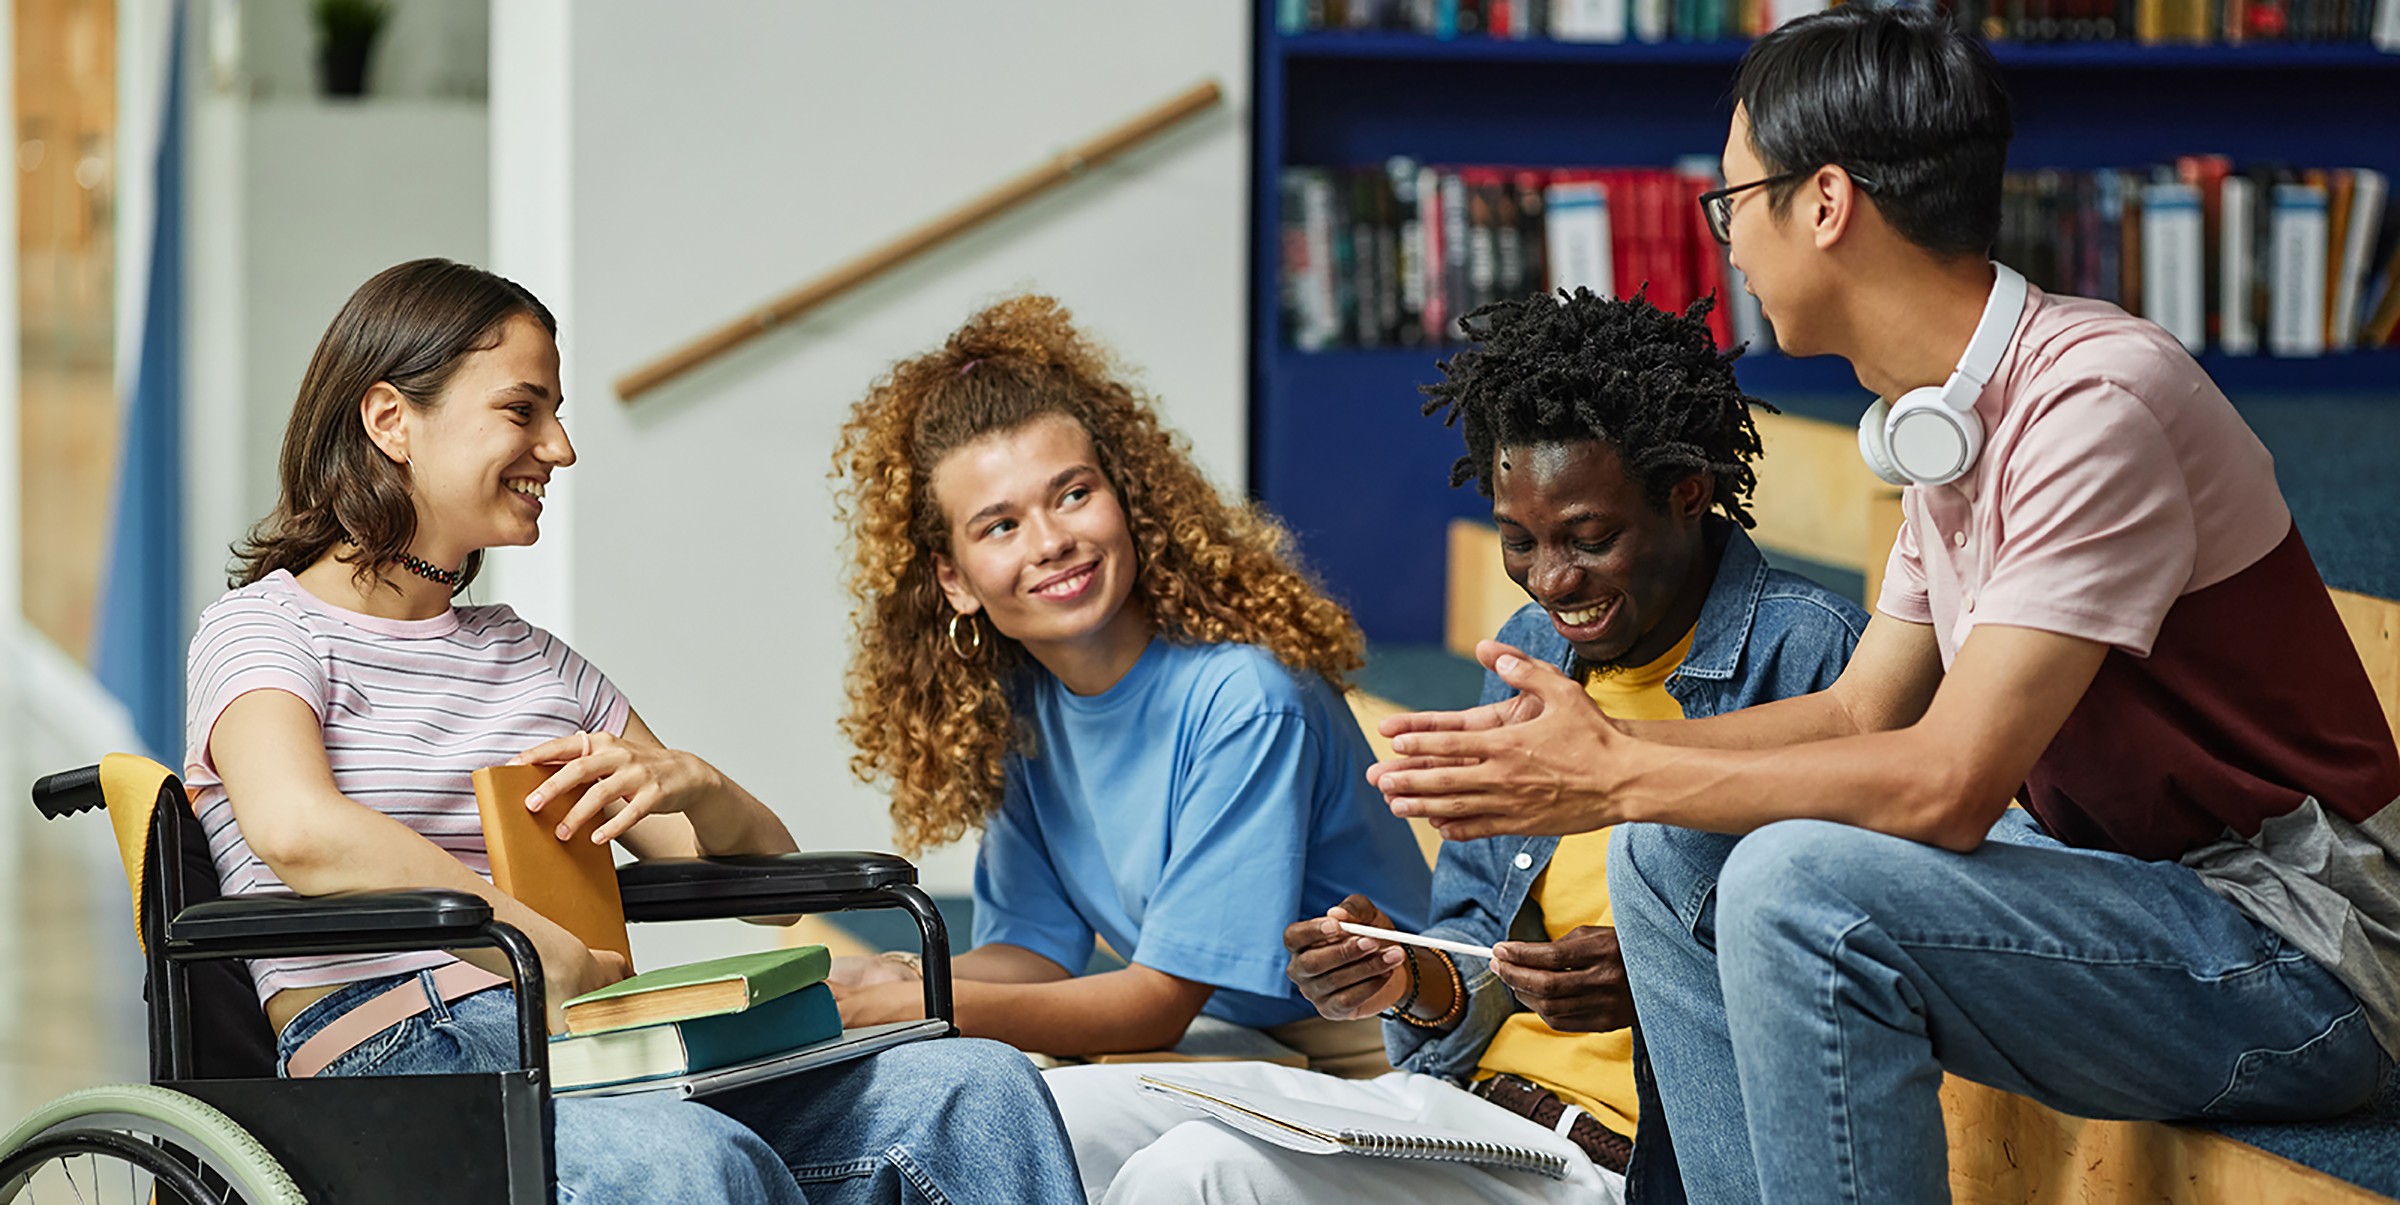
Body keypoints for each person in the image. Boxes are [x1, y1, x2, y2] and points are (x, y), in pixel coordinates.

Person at [1368, 10, 2400, 1205]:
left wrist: (1611, 773)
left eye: (1732, 202)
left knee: (1794, 884)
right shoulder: (1951, 420)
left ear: (1824, 202)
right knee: (1668, 856)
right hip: (2137, 886)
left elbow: (1948, 783)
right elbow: (1863, 712)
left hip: (2302, 951)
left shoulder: (2094, 406)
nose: (1729, 246)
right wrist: (1609, 753)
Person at [186, 258, 1084, 1204]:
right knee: (694, 1164)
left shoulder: (536, 662)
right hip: (398, 1054)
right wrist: (533, 942)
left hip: (590, 1042)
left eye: (557, 412)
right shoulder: (265, 629)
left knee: (980, 1089)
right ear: (390, 419)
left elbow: (766, 887)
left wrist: (700, 785)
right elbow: (298, 830)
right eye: (523, 410)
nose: (560, 447)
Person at [1041, 290, 1866, 1203]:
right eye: (1521, 541)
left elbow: (1871, 969)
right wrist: (1405, 974)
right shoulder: (1535, 650)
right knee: (1040, 1112)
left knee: (1194, 1174)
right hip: (1457, 1106)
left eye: (1590, 539)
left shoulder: (1820, 662)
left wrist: (1663, 987)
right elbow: (1474, 939)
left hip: (1609, 1165)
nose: (1553, 580)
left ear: (1687, 494)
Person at [827, 294, 1431, 1072]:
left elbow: (1154, 1005)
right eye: (1000, 525)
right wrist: (889, 976)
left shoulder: (1247, 697)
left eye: (1074, 493)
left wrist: (929, 1001)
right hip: (1234, 1039)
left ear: (1127, 498)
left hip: (1377, 1050)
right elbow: (1032, 952)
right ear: (955, 578)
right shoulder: (1021, 707)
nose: (1052, 542)